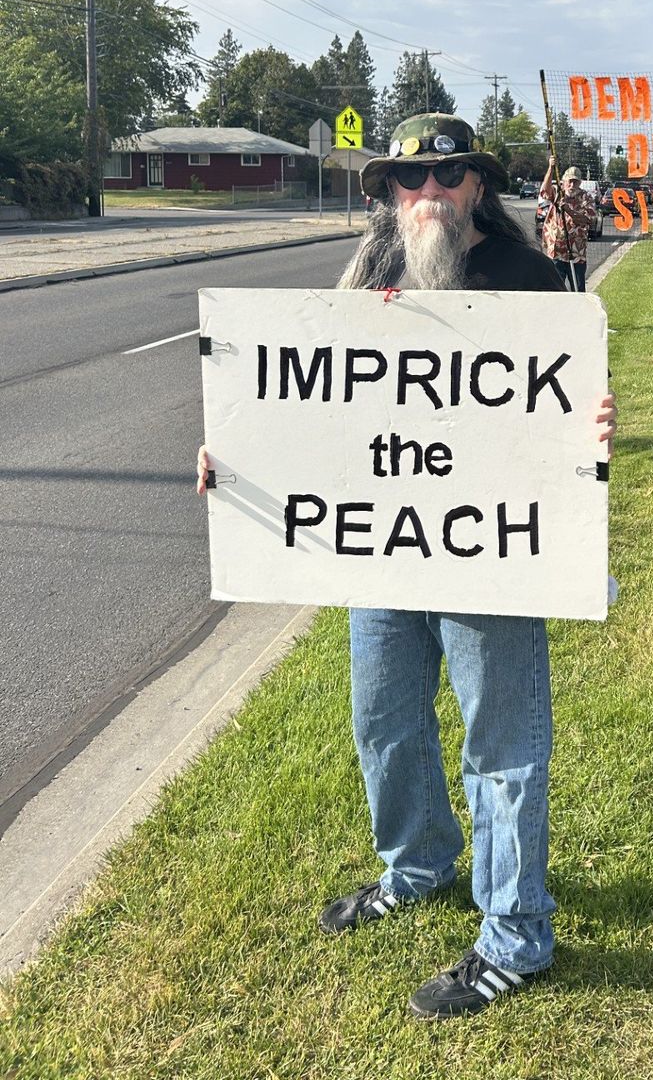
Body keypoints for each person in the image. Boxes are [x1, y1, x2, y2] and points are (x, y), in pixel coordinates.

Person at [197, 113, 616, 1021]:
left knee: (501, 747)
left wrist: (596, 427)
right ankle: (418, 866)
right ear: (385, 193)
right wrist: (236, 456)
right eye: (407, 182)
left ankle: (515, 935)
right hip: (385, 554)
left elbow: (568, 413)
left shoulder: (527, 279)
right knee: (383, 719)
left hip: (490, 556)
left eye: (447, 177)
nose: (426, 196)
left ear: (475, 187)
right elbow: (311, 402)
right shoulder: (367, 276)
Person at [539, 163, 595, 292]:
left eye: (575, 182)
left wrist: (568, 210)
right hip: (557, 252)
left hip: (577, 254)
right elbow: (544, 191)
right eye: (570, 182)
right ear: (564, 181)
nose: (572, 186)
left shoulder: (586, 198)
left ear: (580, 183)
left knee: (578, 290)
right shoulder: (558, 193)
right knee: (556, 290)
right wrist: (550, 168)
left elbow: (588, 219)